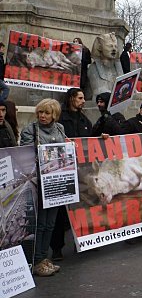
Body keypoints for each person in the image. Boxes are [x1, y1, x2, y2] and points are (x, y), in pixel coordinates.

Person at [20, 99, 66, 276]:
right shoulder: (30, 130)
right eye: (40, 112)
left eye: (46, 113)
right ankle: (36, 260)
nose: (42, 116)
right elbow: (26, 156)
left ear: (54, 114)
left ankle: (43, 257)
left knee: (50, 223)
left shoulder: (60, 128)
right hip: (38, 183)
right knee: (39, 223)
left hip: (56, 182)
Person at [53, 88, 93, 260]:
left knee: (83, 207)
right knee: (61, 213)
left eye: (84, 98)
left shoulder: (85, 119)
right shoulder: (60, 119)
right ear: (71, 99)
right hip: (64, 171)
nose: (83, 101)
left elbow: (91, 140)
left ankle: (83, 242)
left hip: (82, 171)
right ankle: (56, 248)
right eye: (80, 98)